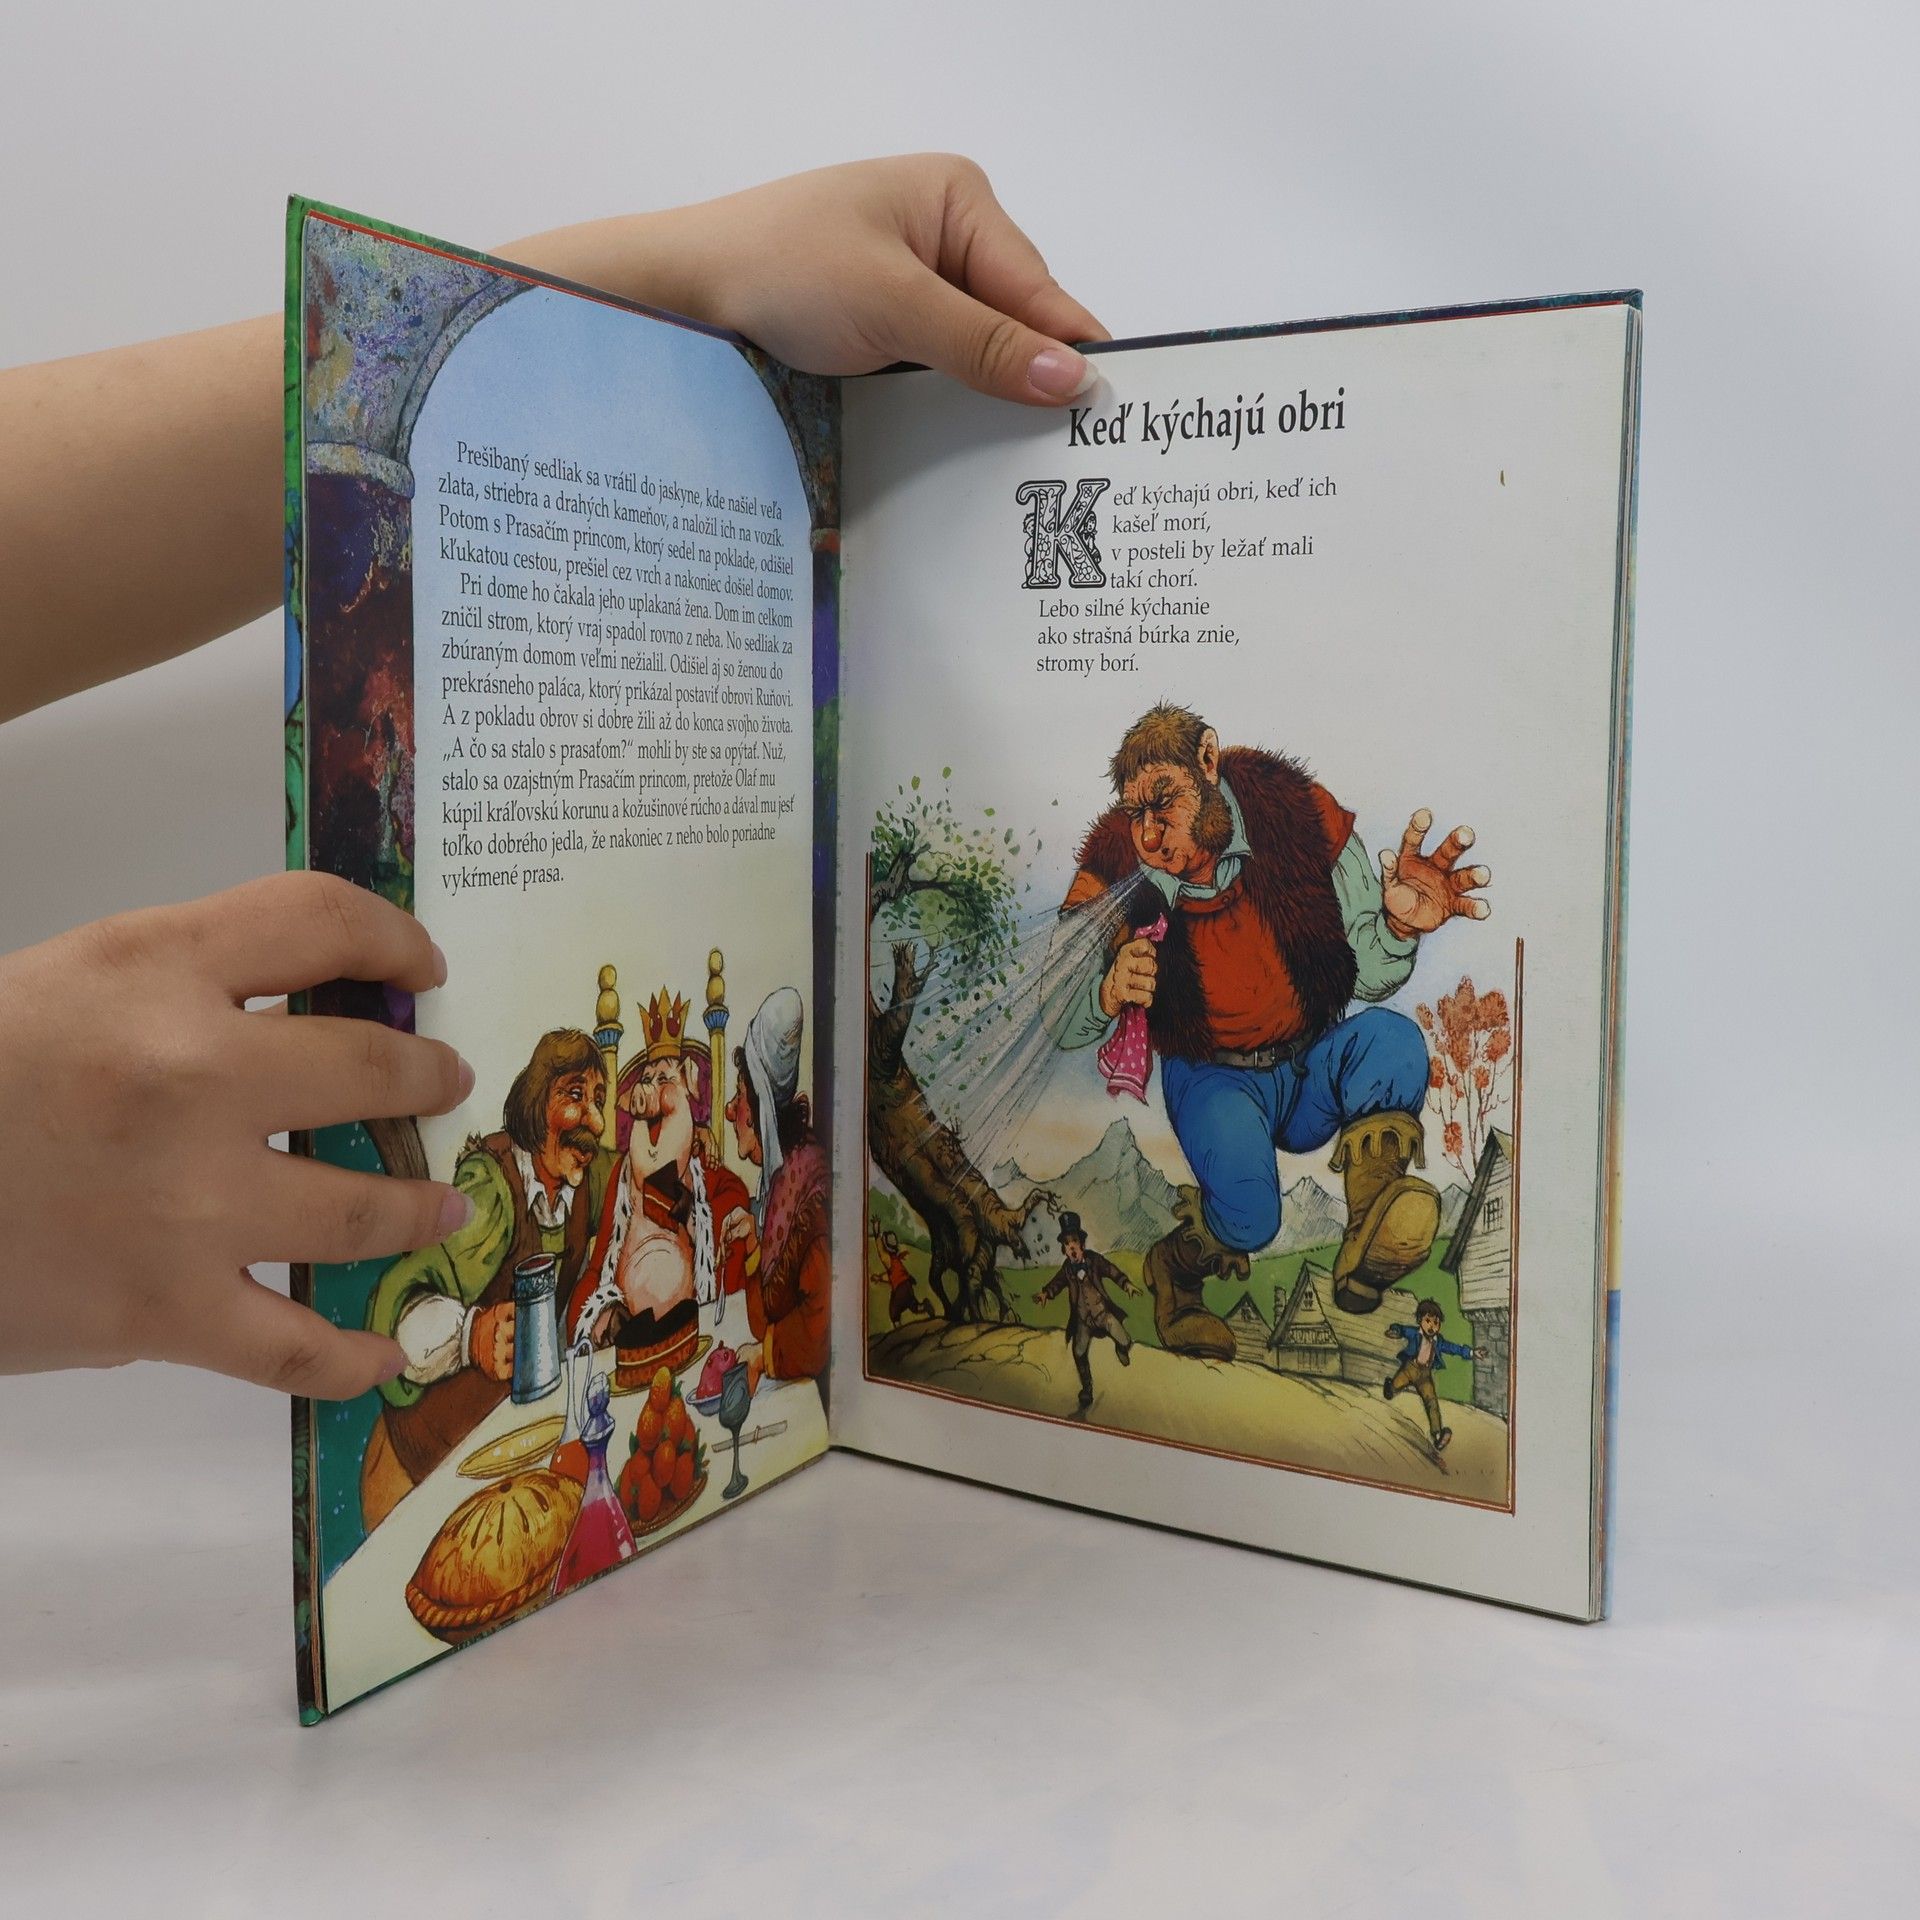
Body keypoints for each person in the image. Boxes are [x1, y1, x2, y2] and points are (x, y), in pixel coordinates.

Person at [0, 156, 1108, 1399]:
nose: (610, 1116)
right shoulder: (549, 1187)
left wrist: (681, 277)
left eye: (616, 1095)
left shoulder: (681, 1177)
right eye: (603, 1097)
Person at [1057, 704, 1491, 1362]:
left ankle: (1367, 1237)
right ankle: (1175, 1271)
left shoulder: (1298, 812)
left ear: (1207, 760)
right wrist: (1106, 991)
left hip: (1309, 1061)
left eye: (1163, 802)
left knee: (1395, 1046)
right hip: (1215, 1077)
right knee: (1252, 1218)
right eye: (1136, 811)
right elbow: (1059, 1020)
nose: (1148, 833)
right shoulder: (1113, 865)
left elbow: (1368, 976)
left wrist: (1398, 927)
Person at [361, 1030, 616, 1526]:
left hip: (500, 1459)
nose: (595, 1120)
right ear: (538, 1101)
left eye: (599, 1100)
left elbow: (637, 1170)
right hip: (419, 1467)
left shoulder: (585, 1175)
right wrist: (470, 1336)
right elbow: (399, 1304)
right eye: (575, 1096)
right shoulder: (492, 1189)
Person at [721, 987, 829, 1385]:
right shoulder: (779, 1185)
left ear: (759, 1111)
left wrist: (765, 1356)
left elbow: (819, 1332)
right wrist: (753, 1242)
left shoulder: (809, 1192)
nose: (729, 1111)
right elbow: (762, 1321)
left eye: (738, 1096)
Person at [1033, 1212, 1138, 1412]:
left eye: (1074, 1241)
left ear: (1081, 1243)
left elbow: (1111, 1270)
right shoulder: (1067, 1269)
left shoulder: (1094, 1260)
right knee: (1079, 1351)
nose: (1071, 1247)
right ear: (1064, 1249)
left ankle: (1121, 1348)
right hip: (1083, 1321)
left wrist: (1126, 1284)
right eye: (1066, 1244)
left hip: (1103, 1315)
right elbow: (1057, 1283)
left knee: (1125, 1340)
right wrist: (1046, 1293)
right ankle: (1087, 1388)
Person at [1383, 1299, 1484, 1453]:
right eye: (1428, 1321)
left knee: (1432, 1402)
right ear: (1420, 1320)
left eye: (1436, 1322)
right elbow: (1402, 1329)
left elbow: (1454, 1348)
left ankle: (1437, 1436)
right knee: (1395, 1386)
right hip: (1409, 1369)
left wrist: (1471, 1352)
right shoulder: (1414, 1333)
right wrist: (1395, 1330)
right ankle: (1390, 1389)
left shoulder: (1439, 1341)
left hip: (1425, 1375)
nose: (1432, 1326)